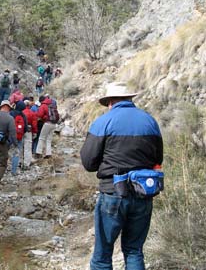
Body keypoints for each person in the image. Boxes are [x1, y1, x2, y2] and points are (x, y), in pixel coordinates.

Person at [79, 82, 163, 270]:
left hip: (113, 193)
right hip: (144, 193)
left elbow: (88, 162)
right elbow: (158, 158)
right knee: (134, 251)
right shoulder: (150, 121)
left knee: (102, 255)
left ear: (110, 102)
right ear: (130, 99)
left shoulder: (103, 122)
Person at [10, 101, 28, 175]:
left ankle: (2, 168)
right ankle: (14, 171)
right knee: (16, 153)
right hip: (19, 137)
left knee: (4, 152)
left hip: (10, 136)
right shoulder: (23, 116)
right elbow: (26, 128)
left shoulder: (11, 113)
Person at [23, 100, 38, 169]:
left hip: (20, 131)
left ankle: (20, 162)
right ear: (29, 105)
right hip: (28, 131)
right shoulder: (32, 113)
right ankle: (27, 163)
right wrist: (35, 132)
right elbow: (34, 124)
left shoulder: (21, 112)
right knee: (27, 147)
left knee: (20, 147)